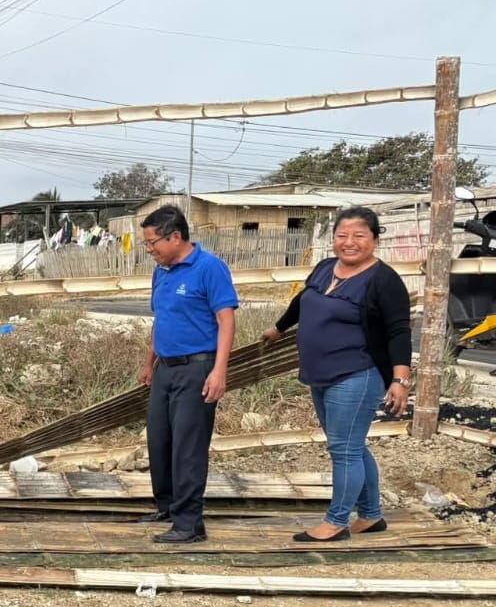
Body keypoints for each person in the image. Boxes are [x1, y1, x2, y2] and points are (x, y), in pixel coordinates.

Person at [262, 206, 411, 541]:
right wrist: (279, 328)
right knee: (351, 447)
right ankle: (371, 515)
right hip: (320, 374)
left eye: (359, 235)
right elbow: (303, 300)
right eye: (342, 235)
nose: (349, 242)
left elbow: (399, 332)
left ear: (375, 239)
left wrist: (400, 380)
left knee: (344, 450)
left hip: (356, 374)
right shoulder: (325, 268)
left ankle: (336, 522)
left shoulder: (384, 280)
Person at [137, 205, 238, 543]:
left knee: (188, 446)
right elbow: (161, 319)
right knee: (160, 440)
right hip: (165, 368)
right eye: (146, 243)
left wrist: (219, 370)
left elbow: (226, 320)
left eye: (152, 243)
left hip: (197, 368)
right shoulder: (161, 272)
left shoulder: (209, 268)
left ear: (176, 237)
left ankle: (190, 523)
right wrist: (149, 362)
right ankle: (167, 506)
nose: (149, 250)